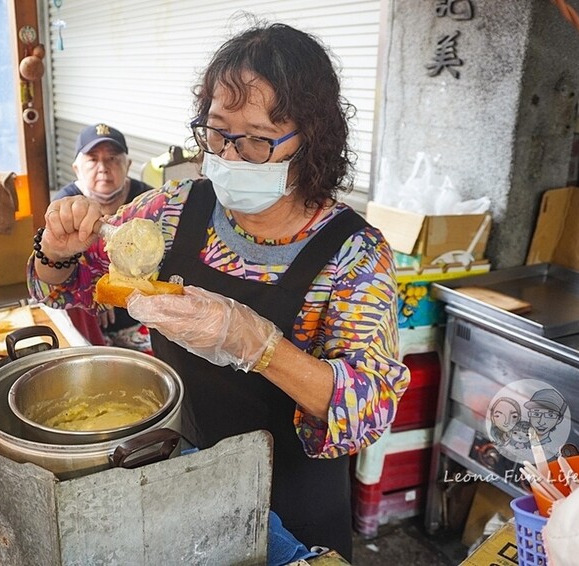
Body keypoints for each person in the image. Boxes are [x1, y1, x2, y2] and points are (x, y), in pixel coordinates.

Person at [27, 22, 409, 560]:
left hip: (291, 504)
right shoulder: (171, 209)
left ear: (312, 140)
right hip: (177, 476)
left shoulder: (354, 254)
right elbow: (67, 291)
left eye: (256, 139)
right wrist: (56, 251)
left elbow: (369, 408)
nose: (229, 155)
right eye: (217, 132)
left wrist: (257, 343)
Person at [53, 123, 155, 352]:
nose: (103, 168)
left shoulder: (149, 201)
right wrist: (95, 288)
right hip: (88, 320)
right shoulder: (65, 206)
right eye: (93, 160)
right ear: (77, 169)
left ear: (128, 165)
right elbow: (56, 264)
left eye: (112, 159)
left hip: (140, 317)